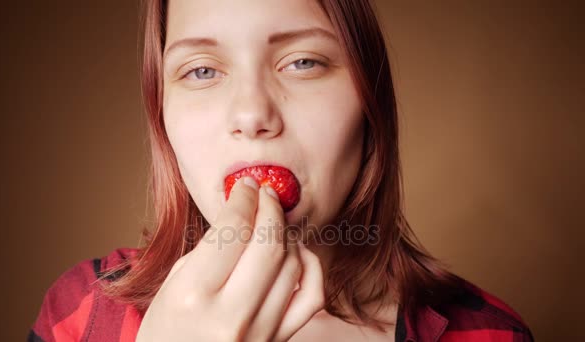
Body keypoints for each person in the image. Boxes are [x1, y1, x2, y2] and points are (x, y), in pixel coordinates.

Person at [29, 0, 534, 341]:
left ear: (370, 101)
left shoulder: (488, 332)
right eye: (202, 70)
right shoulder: (82, 312)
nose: (251, 115)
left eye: (304, 63)